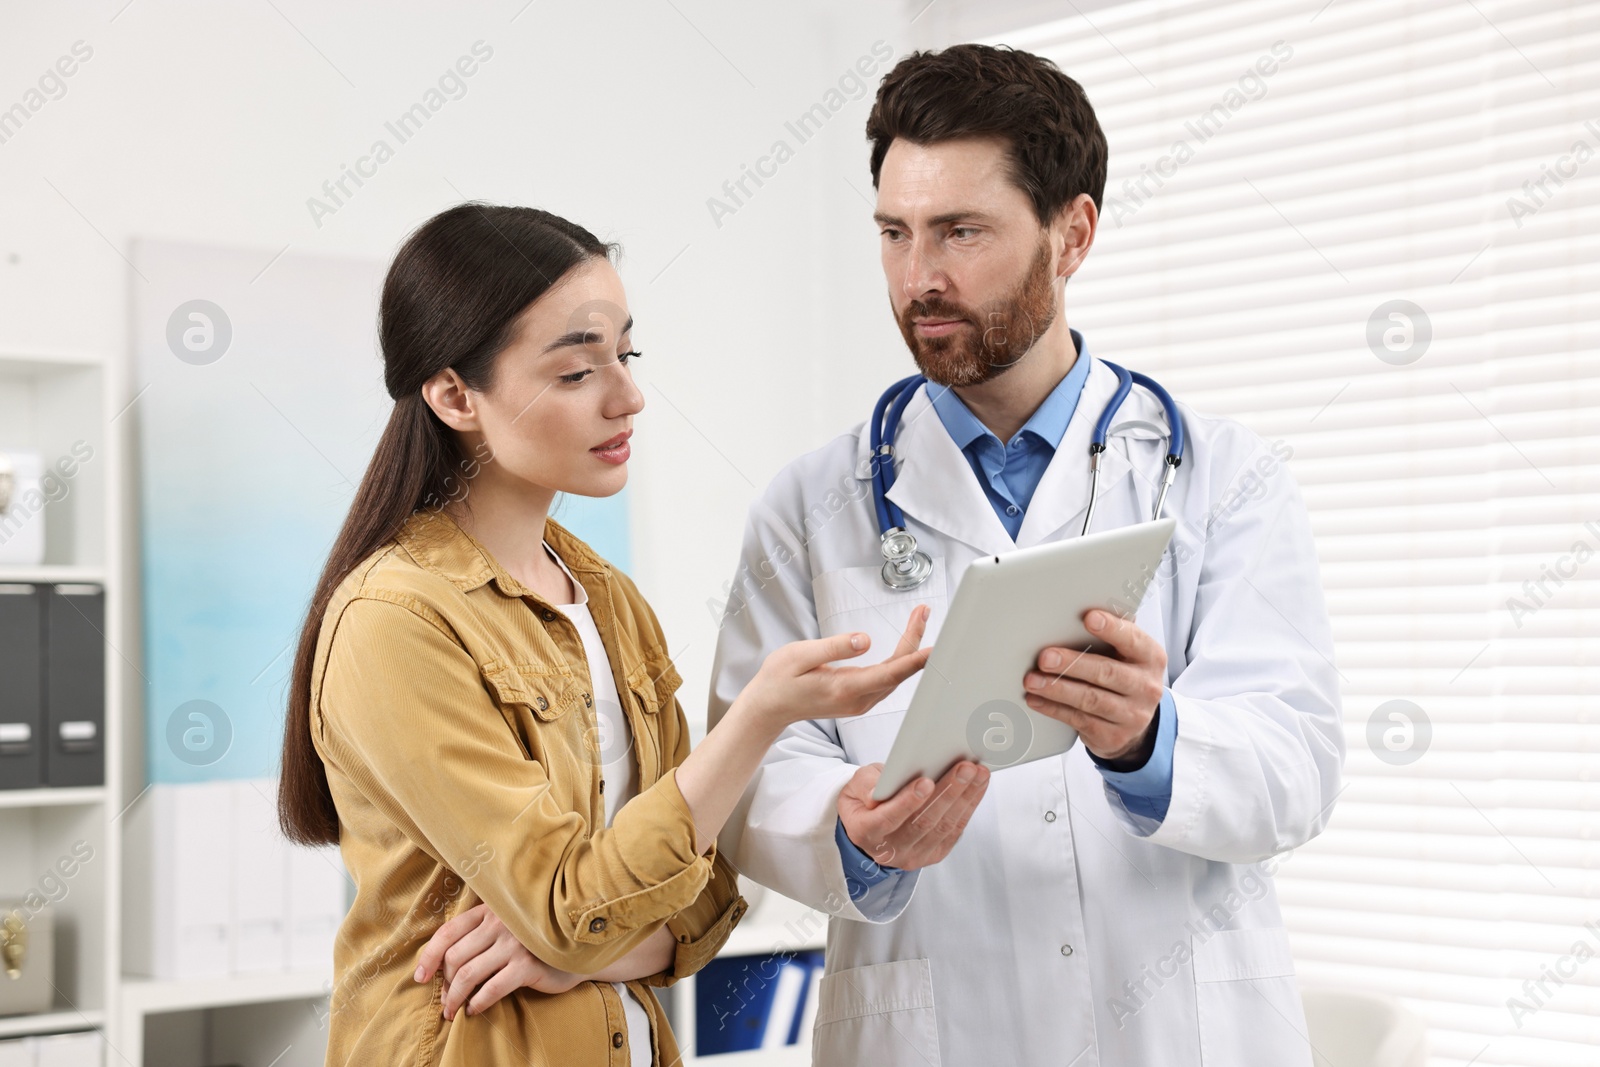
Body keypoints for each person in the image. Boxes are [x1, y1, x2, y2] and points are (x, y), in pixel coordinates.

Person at [708, 44, 1345, 1066]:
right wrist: (848, 833)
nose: (919, 278)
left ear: (1072, 232)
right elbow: (747, 770)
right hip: (933, 1027)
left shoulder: (1225, 475)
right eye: (894, 233)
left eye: (962, 231)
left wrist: (1152, 738)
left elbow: (1296, 765)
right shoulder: (809, 506)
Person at [276, 204, 930, 1067]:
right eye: (578, 370)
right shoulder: (395, 619)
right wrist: (759, 715)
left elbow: (705, 897)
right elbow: (566, 901)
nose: (628, 396)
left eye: (627, 354)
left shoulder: (609, 600)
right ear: (451, 394)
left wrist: (592, 946)